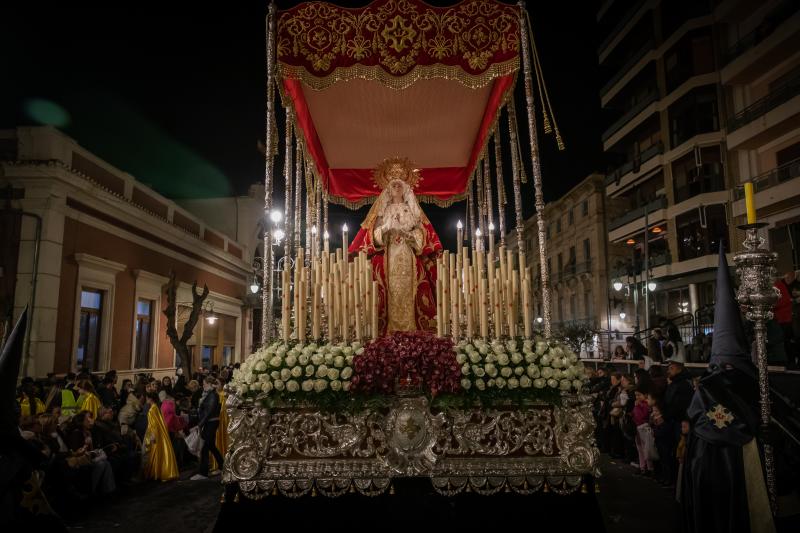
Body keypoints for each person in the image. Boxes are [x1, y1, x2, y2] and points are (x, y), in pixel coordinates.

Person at [682, 247, 774, 533]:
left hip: (746, 467)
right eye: (722, 368)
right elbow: (701, 421)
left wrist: (766, 431)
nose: (726, 374)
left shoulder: (751, 383)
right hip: (709, 468)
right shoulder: (708, 389)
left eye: (730, 368)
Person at [347, 157, 443, 334]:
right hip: (388, 257)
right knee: (386, 292)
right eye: (393, 185)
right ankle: (387, 330)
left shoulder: (411, 209)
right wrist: (385, 228)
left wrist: (409, 234)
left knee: (410, 290)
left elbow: (423, 235)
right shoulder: (383, 211)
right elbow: (371, 238)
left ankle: (412, 330)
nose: (397, 188)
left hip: (408, 256)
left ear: (406, 188)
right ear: (388, 189)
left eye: (400, 185)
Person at [191, 377, 224, 480]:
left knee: (205, 446)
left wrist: (199, 425)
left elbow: (209, 412)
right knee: (211, 446)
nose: (203, 386)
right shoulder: (211, 394)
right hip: (211, 423)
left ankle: (203, 473)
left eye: (204, 384)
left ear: (210, 384)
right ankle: (222, 467)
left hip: (211, 423)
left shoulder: (213, 395)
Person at [142, 392, 178, 482]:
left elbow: (153, 424)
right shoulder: (156, 407)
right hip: (161, 434)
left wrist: (152, 435)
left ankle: (157, 473)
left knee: (156, 452)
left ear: (150, 398)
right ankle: (162, 472)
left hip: (155, 434)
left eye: (147, 398)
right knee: (161, 452)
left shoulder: (151, 410)